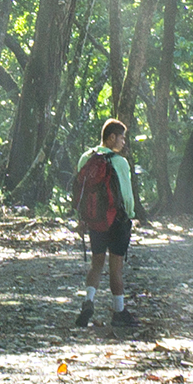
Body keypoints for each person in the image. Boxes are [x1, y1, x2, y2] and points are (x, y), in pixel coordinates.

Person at [72, 117, 138, 327]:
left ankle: (88, 300)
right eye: (121, 138)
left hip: (95, 220)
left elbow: (81, 192)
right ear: (111, 138)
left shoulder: (86, 158)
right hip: (117, 220)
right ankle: (119, 312)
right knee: (116, 267)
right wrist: (130, 216)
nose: (123, 142)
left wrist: (82, 219)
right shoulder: (120, 162)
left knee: (96, 263)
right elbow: (126, 196)